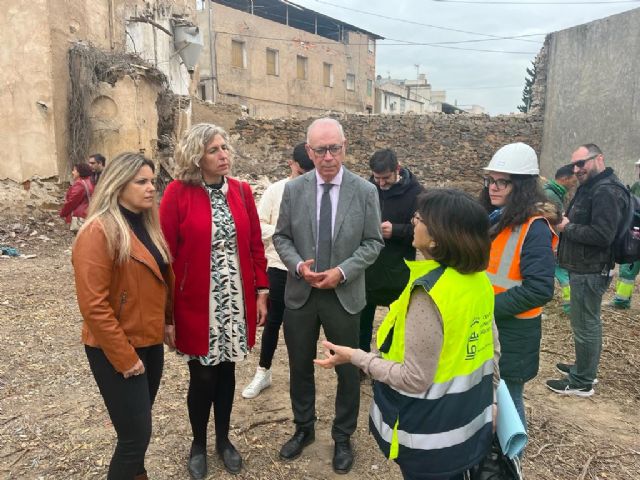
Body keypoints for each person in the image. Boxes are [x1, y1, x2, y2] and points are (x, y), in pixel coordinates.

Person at [314, 189, 500, 480]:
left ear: (438, 237)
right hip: (469, 423)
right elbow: (491, 350)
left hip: (430, 436)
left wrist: (355, 357)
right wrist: (493, 402)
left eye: (420, 217)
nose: (413, 221)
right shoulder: (479, 282)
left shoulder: (429, 294)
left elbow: (414, 378)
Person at [272, 118, 383, 474]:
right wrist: (297, 267)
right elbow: (282, 238)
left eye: (334, 148)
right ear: (309, 152)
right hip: (301, 295)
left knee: (348, 370)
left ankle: (343, 436)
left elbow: (373, 242)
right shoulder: (295, 189)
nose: (328, 157)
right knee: (299, 366)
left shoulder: (364, 191)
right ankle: (303, 429)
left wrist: (342, 271)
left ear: (345, 147)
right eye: (320, 150)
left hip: (344, 295)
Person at [159, 123, 268, 478]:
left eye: (225, 148)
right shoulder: (177, 193)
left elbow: (254, 244)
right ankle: (198, 443)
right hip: (195, 302)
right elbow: (167, 254)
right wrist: (167, 314)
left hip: (236, 299)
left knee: (229, 372)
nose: (224, 155)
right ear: (196, 157)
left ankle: (224, 440)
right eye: (214, 150)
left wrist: (261, 292)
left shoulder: (241, 191)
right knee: (203, 376)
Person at [72, 152, 174, 480]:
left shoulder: (148, 226)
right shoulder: (98, 231)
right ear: (118, 184)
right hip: (115, 349)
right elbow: (94, 306)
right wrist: (125, 357)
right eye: (141, 182)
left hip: (149, 341)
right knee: (134, 438)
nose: (151, 188)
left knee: (138, 430)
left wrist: (168, 322)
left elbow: (160, 282)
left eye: (153, 181)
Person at [480, 142, 558, 430]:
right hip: (489, 325)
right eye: (491, 180)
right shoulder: (494, 219)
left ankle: (511, 465)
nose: (493, 187)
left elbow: (539, 289)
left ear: (522, 186)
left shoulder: (534, 227)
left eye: (504, 182)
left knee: (508, 402)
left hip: (513, 333)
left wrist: (486, 307)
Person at [547, 144, 628, 397]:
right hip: (584, 267)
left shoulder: (605, 191)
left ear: (599, 159)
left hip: (591, 269)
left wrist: (566, 227)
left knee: (586, 324)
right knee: (585, 323)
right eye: (574, 165)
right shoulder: (592, 187)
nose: (576, 169)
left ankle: (582, 380)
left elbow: (603, 235)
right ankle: (584, 367)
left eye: (582, 163)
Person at [242, 143, 315, 399]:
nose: (307, 176)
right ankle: (263, 370)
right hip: (278, 266)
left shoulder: (320, 190)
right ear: (291, 164)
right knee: (273, 322)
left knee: (304, 325)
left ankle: (302, 376)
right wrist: (283, 234)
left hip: (310, 269)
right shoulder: (275, 191)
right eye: (302, 170)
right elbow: (257, 226)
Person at [359, 149, 422, 356]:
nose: (381, 184)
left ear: (397, 169)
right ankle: (361, 362)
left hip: (398, 271)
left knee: (398, 322)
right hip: (368, 269)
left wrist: (396, 230)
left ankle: (392, 362)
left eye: (385, 178)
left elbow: (426, 229)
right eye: (377, 178)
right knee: (362, 323)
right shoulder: (367, 189)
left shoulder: (417, 193)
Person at [543, 164, 577, 314]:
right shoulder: (551, 195)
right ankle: (569, 306)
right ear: (565, 179)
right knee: (560, 273)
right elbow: (555, 220)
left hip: (553, 241)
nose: (574, 184)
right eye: (573, 180)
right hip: (551, 240)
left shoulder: (556, 193)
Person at [610, 158, 640, 309]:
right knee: (628, 267)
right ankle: (621, 301)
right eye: (638, 168)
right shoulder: (636, 186)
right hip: (635, 235)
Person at [59, 162, 95, 232]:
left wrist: (63, 213)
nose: (72, 172)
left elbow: (72, 202)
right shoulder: (90, 182)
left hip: (80, 217)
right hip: (88, 214)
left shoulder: (79, 184)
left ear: (79, 172)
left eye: (74, 170)